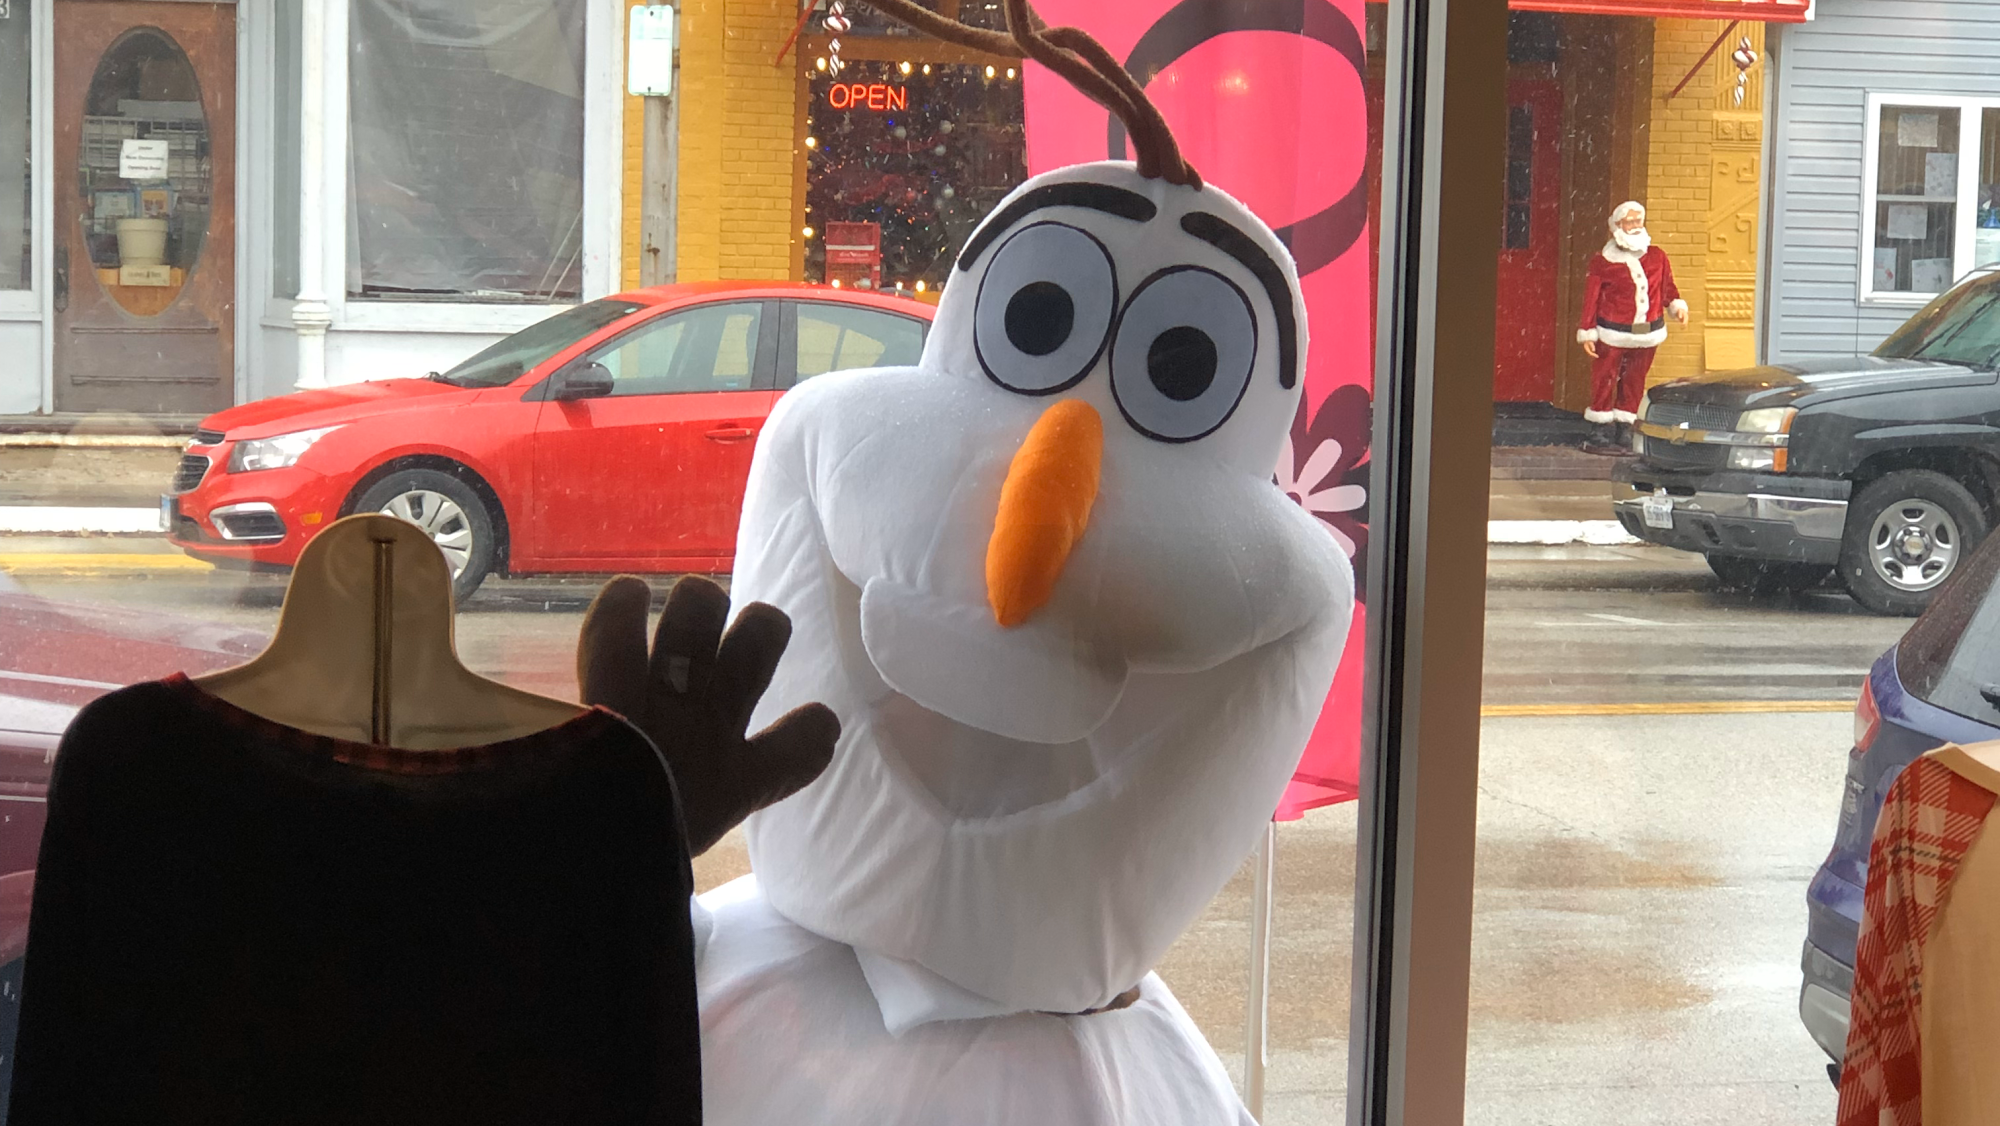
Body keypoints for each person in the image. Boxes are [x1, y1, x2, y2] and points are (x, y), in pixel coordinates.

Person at [1577, 201, 1688, 455]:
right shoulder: (1603, 261)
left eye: (1639, 221)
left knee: (1634, 381)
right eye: (1630, 222)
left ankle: (1624, 426)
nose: (1636, 226)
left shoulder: (1658, 256)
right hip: (1612, 333)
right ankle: (1599, 427)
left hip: (1648, 334)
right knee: (1604, 379)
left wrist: (1676, 306)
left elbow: (1667, 288)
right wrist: (1587, 330)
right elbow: (1591, 298)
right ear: (1617, 226)